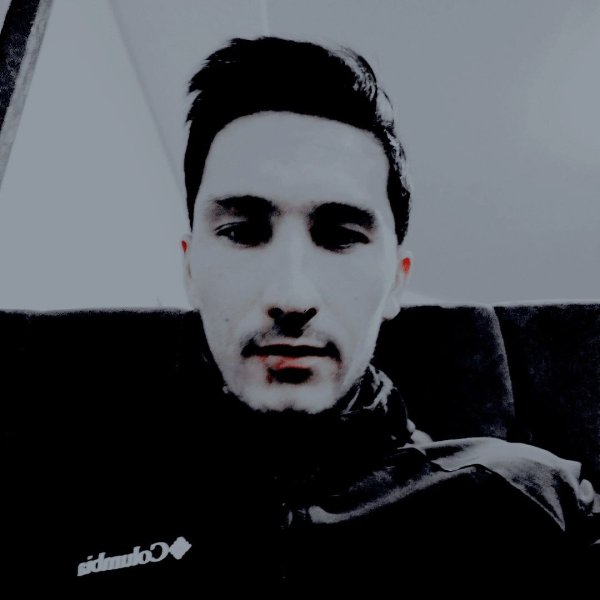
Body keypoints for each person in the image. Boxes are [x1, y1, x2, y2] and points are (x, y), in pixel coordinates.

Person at [3, 36, 598, 593]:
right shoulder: (61, 518)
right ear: (190, 268)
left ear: (396, 281)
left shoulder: (534, 502)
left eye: (340, 236)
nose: (290, 296)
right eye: (241, 231)